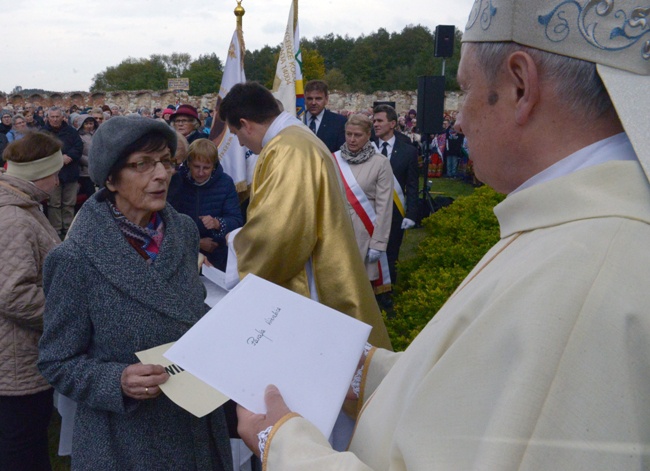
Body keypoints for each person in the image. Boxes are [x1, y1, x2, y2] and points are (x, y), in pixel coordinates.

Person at [235, 0, 650, 469]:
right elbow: (473, 388)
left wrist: (283, 442)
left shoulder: (585, 275)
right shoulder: (576, 228)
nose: (460, 119)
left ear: (519, 85)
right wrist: (361, 371)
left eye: (466, 89)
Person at [37, 116, 232, 470]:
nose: (161, 174)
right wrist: (116, 380)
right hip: (124, 440)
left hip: (195, 423)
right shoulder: (74, 258)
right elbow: (56, 361)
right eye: (142, 164)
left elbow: (183, 308)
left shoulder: (184, 232)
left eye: (166, 161)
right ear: (110, 178)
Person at [219, 81, 391, 349]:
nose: (241, 143)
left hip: (315, 279)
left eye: (236, 134)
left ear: (246, 123)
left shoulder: (287, 150)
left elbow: (282, 233)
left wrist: (236, 242)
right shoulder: (296, 138)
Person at [0, 132, 63, 471]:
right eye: (55, 171)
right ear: (40, 173)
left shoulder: (23, 206)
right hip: (15, 361)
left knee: (27, 442)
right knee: (20, 447)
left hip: (19, 356)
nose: (59, 177)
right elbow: (13, 293)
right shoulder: (12, 218)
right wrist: (64, 317)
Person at [333, 114, 393, 294]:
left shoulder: (380, 162)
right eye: (348, 134)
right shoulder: (334, 159)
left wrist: (378, 243)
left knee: (360, 285)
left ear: (368, 135)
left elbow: (385, 206)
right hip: (338, 227)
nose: (352, 139)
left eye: (357, 135)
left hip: (365, 229)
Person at [169, 138, 243, 271]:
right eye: (196, 167)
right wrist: (196, 243)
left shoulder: (225, 183)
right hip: (183, 255)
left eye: (206, 168)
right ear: (188, 163)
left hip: (217, 258)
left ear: (214, 166)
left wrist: (217, 223)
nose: (201, 172)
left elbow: (236, 220)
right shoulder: (177, 181)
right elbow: (169, 221)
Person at [372, 104, 418, 295]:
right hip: (370, 211)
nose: (375, 124)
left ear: (392, 124)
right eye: (374, 121)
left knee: (391, 255)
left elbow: (413, 185)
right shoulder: (367, 147)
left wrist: (412, 214)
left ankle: (387, 294)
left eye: (379, 121)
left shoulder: (408, 151)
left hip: (395, 213)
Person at [42, 106, 83, 239]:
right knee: (54, 204)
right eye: (52, 117)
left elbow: (78, 147)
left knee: (69, 203)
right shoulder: (42, 133)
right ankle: (56, 231)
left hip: (70, 172)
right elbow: (40, 152)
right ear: (48, 118)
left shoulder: (71, 131)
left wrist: (68, 157)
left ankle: (69, 230)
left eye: (57, 116)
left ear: (62, 117)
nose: (55, 119)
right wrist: (59, 159)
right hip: (52, 174)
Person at [304, 80, 347, 153]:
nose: (313, 103)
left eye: (318, 99)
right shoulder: (297, 120)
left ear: (326, 99)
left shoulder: (339, 123)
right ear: (304, 99)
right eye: (310, 99)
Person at [73, 114, 98, 201]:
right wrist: (90, 161)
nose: (89, 126)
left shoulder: (98, 134)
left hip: (97, 170)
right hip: (84, 171)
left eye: (91, 123)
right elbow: (78, 152)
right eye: (86, 124)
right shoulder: (78, 136)